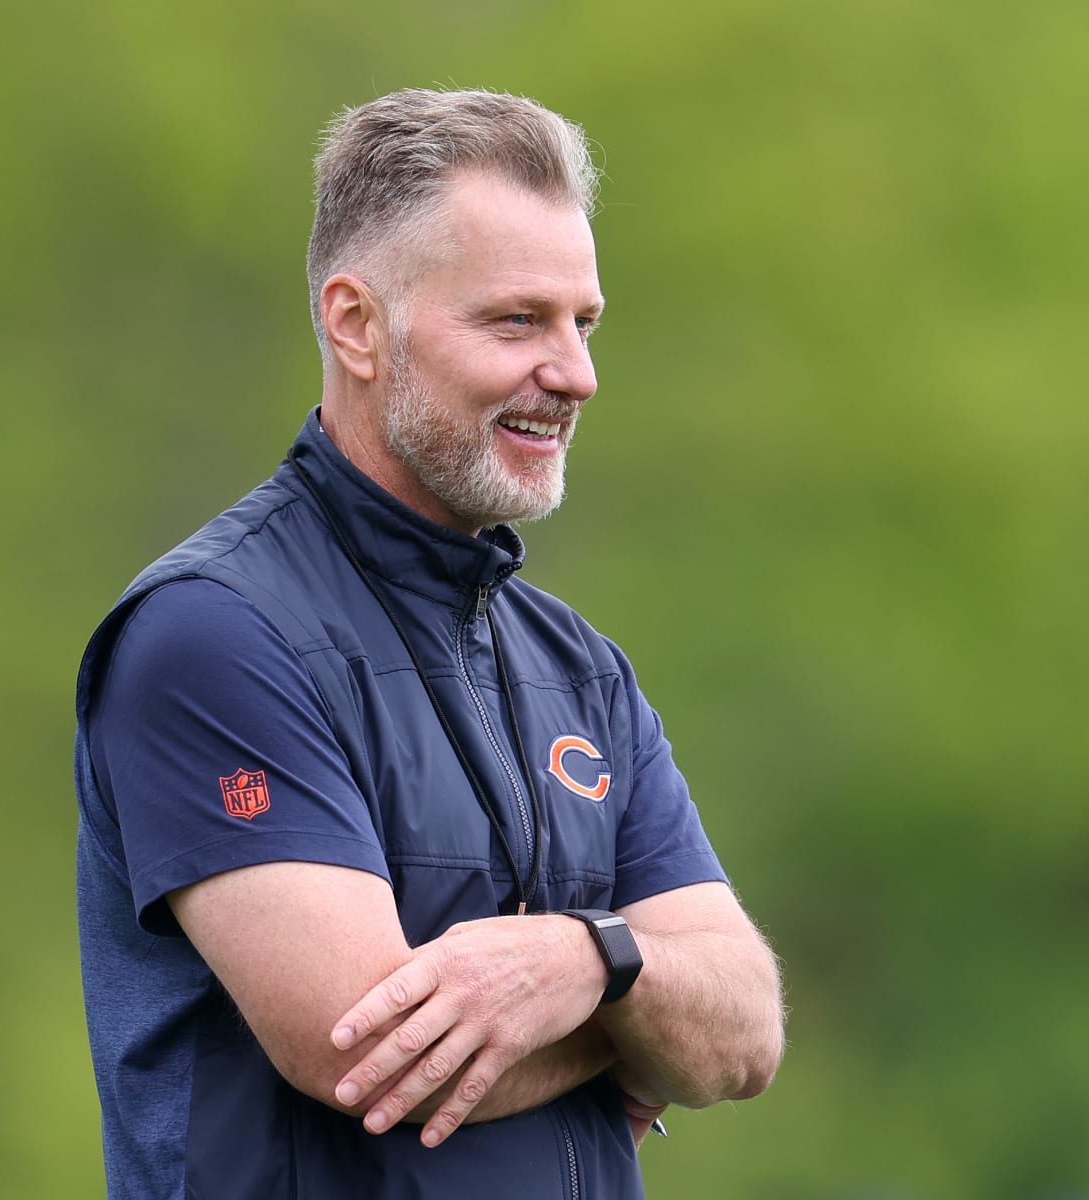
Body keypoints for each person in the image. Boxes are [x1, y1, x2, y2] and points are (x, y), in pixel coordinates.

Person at [74, 87, 784, 1199]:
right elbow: (366, 1052)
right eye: (517, 321)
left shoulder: (580, 669)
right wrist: (636, 1021)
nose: (576, 373)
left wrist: (585, 962)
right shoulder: (212, 634)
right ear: (357, 325)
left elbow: (744, 1033)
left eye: (584, 323)